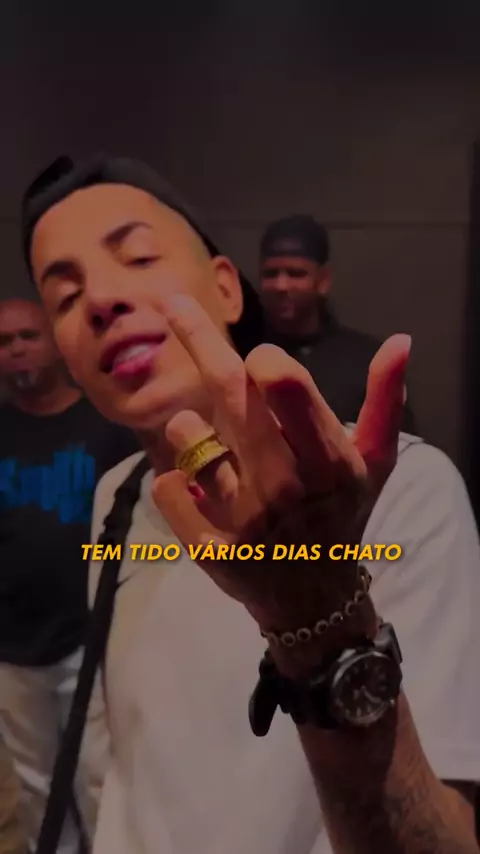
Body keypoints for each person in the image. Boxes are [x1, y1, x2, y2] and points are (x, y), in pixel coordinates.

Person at [21, 154, 480, 854]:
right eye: (64, 296)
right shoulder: (118, 496)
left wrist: (316, 616)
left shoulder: (398, 492)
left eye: (137, 257)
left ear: (226, 289)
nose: (101, 300)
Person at [0, 297, 140, 854]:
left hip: (93, 635)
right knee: (35, 783)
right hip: (12, 644)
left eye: (27, 336)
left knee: (101, 776)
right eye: (3, 342)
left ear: (57, 344)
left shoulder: (106, 425)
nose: (16, 350)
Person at [259, 214, 417, 431]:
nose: (281, 285)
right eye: (270, 274)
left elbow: (403, 444)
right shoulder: (239, 351)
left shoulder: (366, 362)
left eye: (296, 273)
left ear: (323, 279)